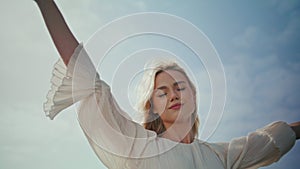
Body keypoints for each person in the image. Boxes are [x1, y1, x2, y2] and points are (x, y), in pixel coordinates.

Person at [34, 0, 300, 168]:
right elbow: (87, 77)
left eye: (180, 87)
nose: (174, 94)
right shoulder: (137, 145)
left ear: (194, 98)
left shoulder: (221, 156)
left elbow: (272, 138)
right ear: (152, 107)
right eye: (163, 92)